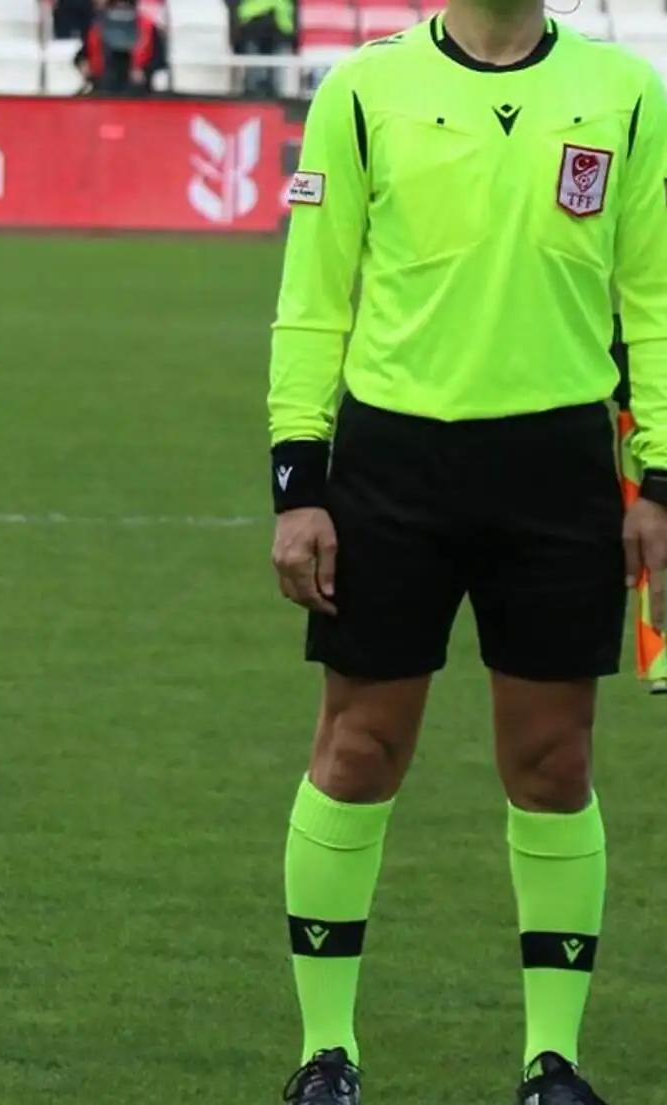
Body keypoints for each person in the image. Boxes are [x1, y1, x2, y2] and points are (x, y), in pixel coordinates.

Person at [266, 3, 667, 1102]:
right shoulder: (361, 90)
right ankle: (326, 1053)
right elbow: (312, 299)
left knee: (554, 765)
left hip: (559, 472)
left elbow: (654, 298)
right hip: (392, 468)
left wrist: (662, 476)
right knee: (357, 751)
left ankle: (552, 1063)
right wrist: (297, 481)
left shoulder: (625, 93)